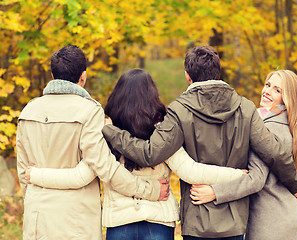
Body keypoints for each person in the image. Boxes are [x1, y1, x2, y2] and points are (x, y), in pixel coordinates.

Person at [101, 46, 297, 239]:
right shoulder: (245, 107)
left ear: (188, 76)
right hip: (234, 220)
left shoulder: (179, 110)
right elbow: (274, 152)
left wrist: (110, 131)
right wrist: (294, 184)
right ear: (218, 71)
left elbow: (150, 154)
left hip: (197, 219)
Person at [25, 68, 248, 240]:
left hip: (119, 220)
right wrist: (238, 175)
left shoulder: (105, 126)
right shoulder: (162, 127)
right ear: (152, 94)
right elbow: (189, 170)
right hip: (158, 219)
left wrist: (35, 175)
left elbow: (90, 171)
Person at [16, 45, 169, 240]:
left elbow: (24, 173)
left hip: (36, 219)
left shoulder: (28, 111)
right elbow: (105, 168)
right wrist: (151, 190)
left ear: (53, 76)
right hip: (76, 220)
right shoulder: (89, 111)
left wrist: (33, 203)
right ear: (83, 76)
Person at [190, 70, 297, 240]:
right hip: (293, 218)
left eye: (277, 90)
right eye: (268, 85)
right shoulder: (294, 128)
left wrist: (215, 192)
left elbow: (256, 180)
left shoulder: (265, 128)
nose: (267, 91)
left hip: (268, 225)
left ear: (288, 98)